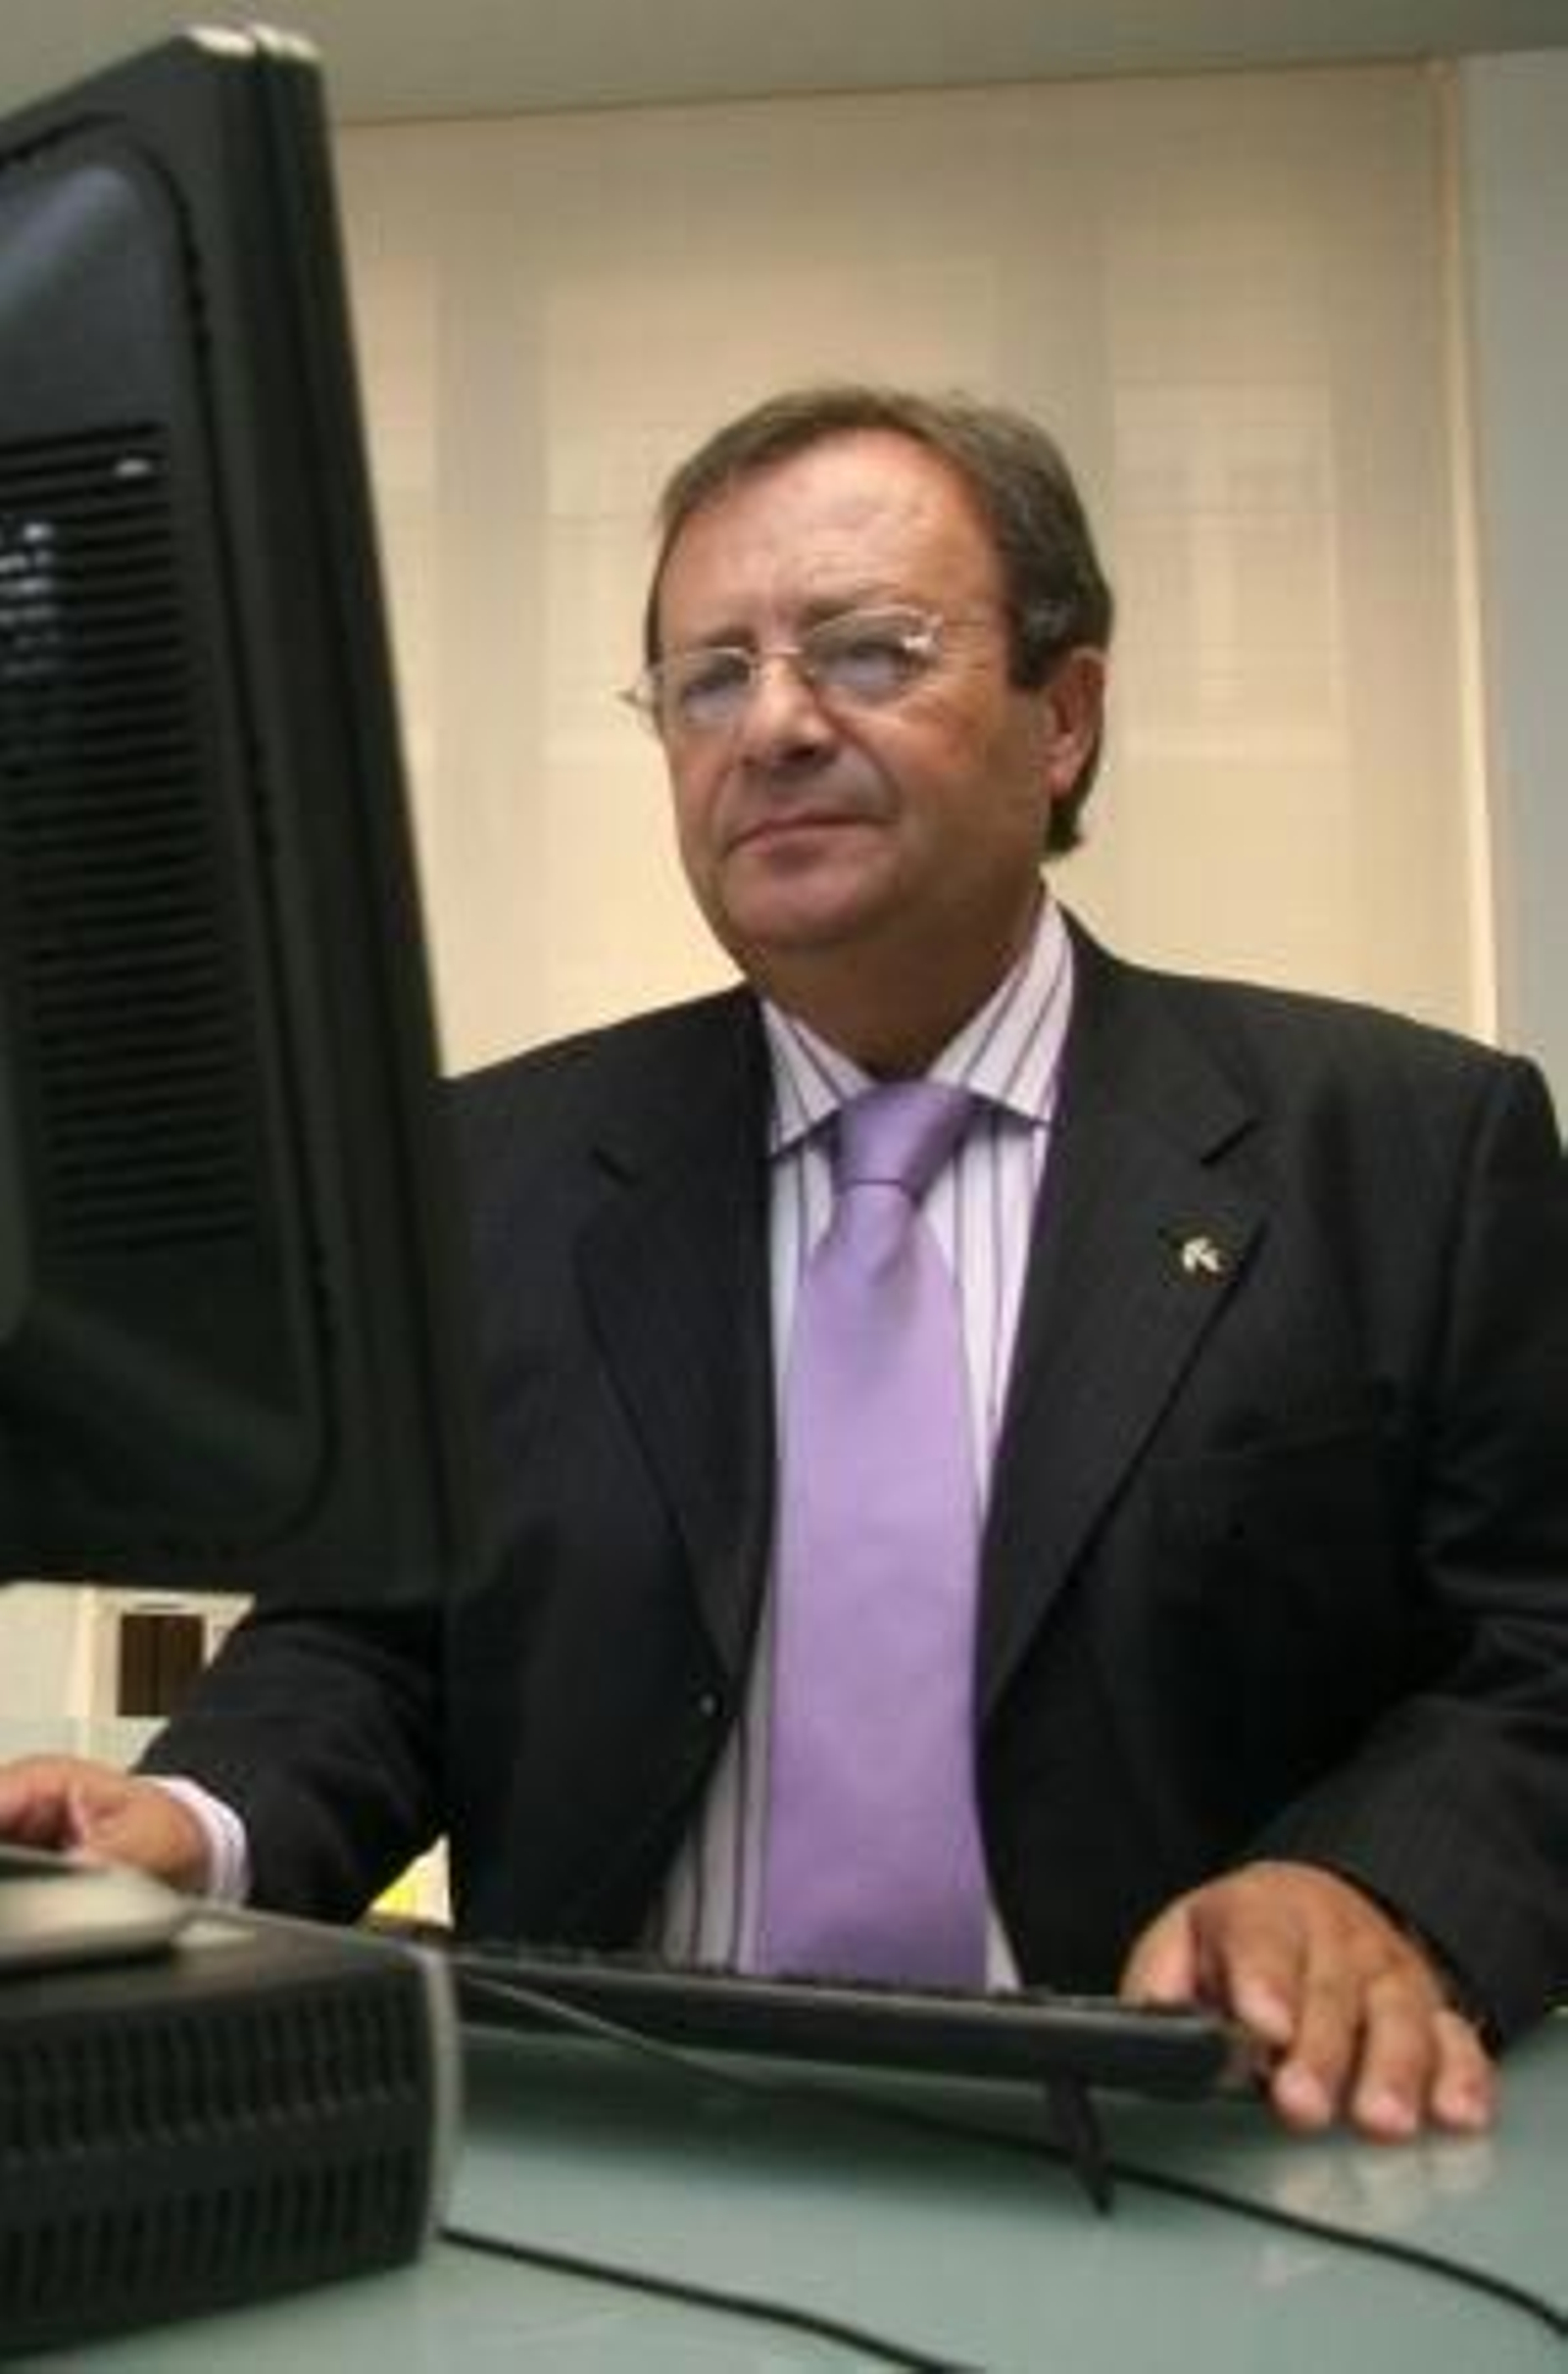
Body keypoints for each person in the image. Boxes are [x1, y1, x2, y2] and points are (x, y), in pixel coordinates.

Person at [4, 384, 1567, 2146]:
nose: (775, 725)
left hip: (1196, 2158)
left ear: (1064, 714)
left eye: (869, 650)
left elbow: (1538, 1651)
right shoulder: (487, 1170)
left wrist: (1366, 1886)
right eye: (708, 679)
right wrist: (198, 1821)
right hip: (619, 2159)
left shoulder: (1407, 1152)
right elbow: (373, 1645)